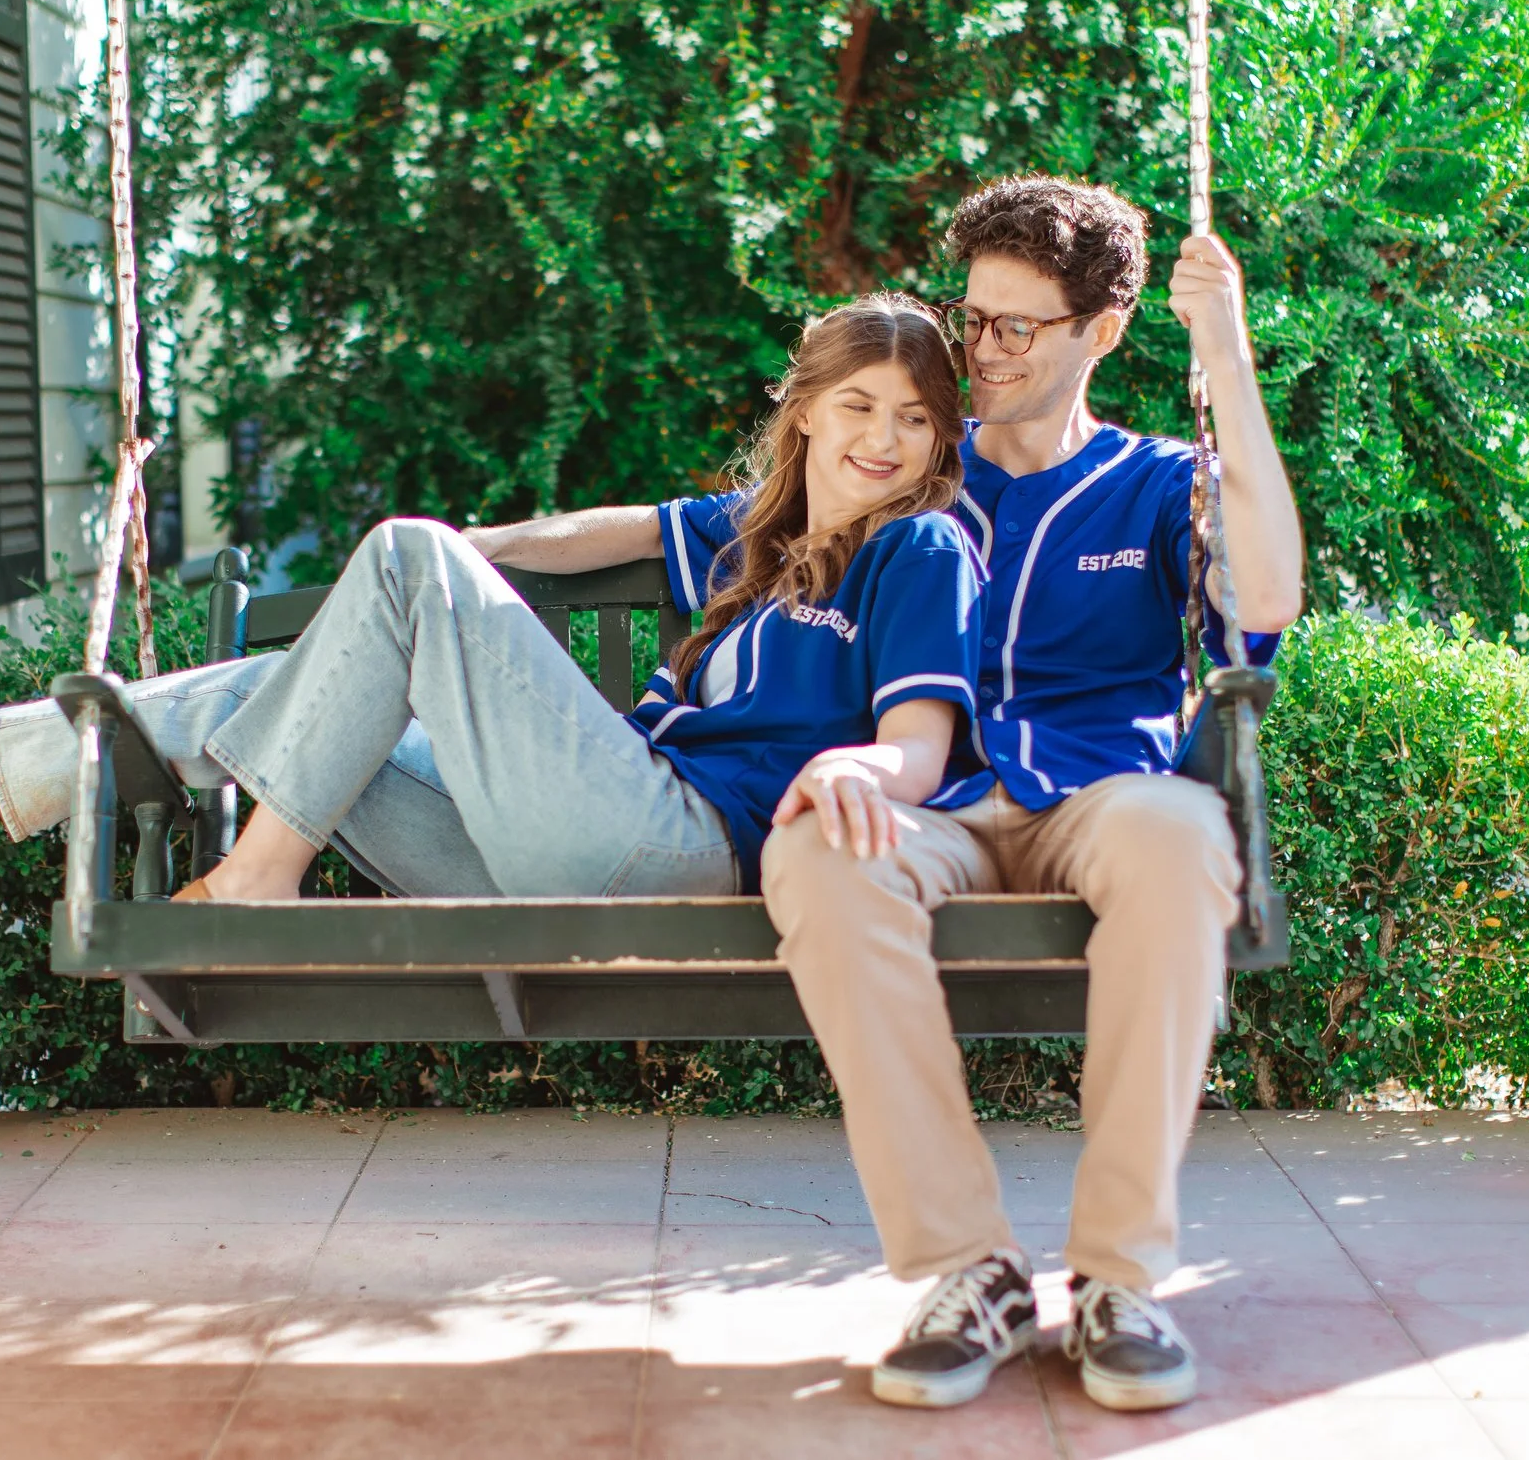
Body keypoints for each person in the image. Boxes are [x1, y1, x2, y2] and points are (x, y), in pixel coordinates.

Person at [473, 177, 1304, 1413]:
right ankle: (968, 1268)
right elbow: (672, 527)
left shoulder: (1154, 482)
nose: (984, 352)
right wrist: (448, 550)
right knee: (812, 855)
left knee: (1183, 838)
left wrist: (1226, 363)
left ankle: (1122, 1276)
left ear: (1102, 332)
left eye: (1020, 327)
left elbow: (1270, 598)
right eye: (974, 318)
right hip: (930, 797)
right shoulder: (899, 470)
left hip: (1102, 792)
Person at [0, 293, 988, 942]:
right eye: (861, 405)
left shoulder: (917, 549)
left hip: (681, 846)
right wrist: (476, 557)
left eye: (915, 417)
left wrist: (855, 767)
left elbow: (921, 745)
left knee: (400, 560)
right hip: (559, 844)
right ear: (808, 411)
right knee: (277, 694)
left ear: (938, 437)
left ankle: (259, 876)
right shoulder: (754, 538)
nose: (885, 438)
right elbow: (601, 530)